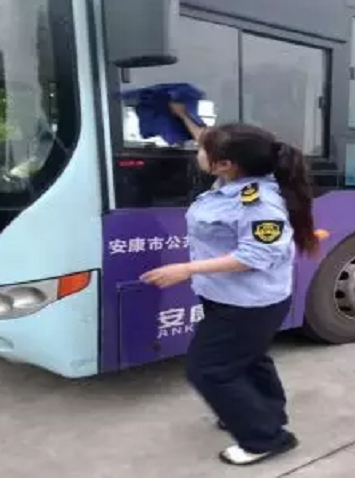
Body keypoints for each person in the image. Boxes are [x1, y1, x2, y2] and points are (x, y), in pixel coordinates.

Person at [140, 104, 319, 466]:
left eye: (202, 150)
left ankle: (265, 438)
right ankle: (265, 414)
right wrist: (182, 115)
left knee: (209, 370)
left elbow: (255, 256)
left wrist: (186, 269)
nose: (197, 151)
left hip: (249, 303)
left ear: (225, 164)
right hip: (226, 296)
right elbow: (206, 139)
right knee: (249, 359)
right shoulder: (232, 180)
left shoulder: (258, 203)